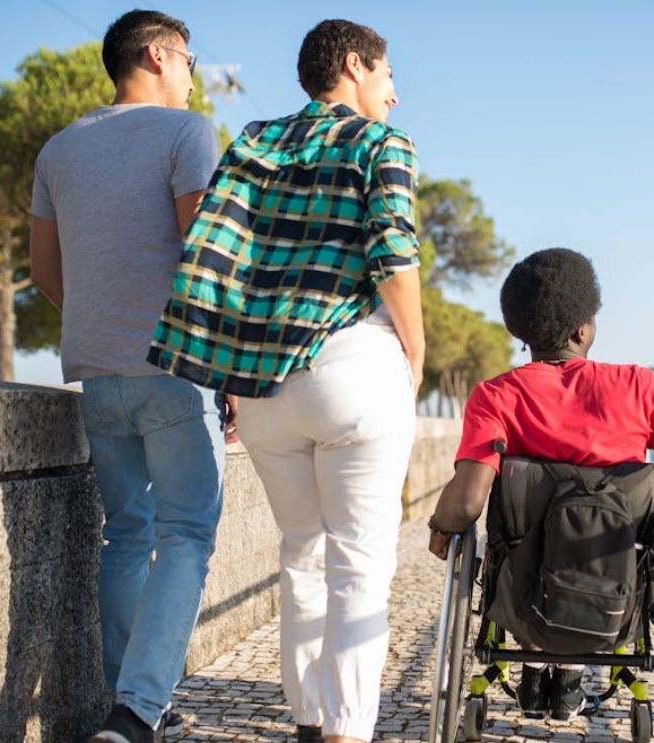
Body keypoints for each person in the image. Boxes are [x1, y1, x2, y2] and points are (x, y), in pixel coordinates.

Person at [146, 19, 422, 743]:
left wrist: (227, 367)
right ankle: (346, 730)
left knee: (300, 552)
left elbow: (217, 254)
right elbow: (393, 254)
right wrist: (415, 353)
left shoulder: (255, 140)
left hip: (262, 386)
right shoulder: (378, 143)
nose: (394, 94)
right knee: (359, 564)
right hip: (351, 365)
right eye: (388, 75)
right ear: (356, 66)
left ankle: (305, 719)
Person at [29, 9, 226, 743]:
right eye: (189, 61)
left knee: (125, 534)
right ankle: (138, 709)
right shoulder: (186, 132)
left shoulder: (58, 149)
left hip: (96, 371)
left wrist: (101, 320)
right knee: (185, 533)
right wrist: (229, 372)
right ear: (156, 55)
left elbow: (46, 274)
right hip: (172, 369)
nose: (191, 76)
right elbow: (201, 257)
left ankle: (132, 701)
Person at [427, 248, 654, 720]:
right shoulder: (642, 387)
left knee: (527, 538)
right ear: (584, 328)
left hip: (520, 595)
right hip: (617, 590)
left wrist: (441, 526)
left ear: (517, 329)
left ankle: (540, 657)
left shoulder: (496, 395)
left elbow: (465, 503)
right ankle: (572, 670)